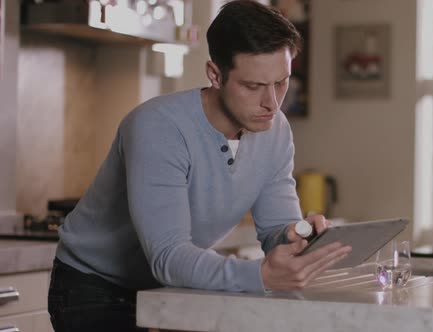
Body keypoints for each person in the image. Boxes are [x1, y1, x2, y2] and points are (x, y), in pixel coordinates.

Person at [47, 1, 352, 331]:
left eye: (281, 82)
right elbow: (169, 256)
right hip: (93, 289)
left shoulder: (274, 131)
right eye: (254, 86)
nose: (273, 103)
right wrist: (260, 274)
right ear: (215, 75)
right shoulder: (158, 127)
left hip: (170, 290)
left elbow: (276, 230)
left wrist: (298, 240)